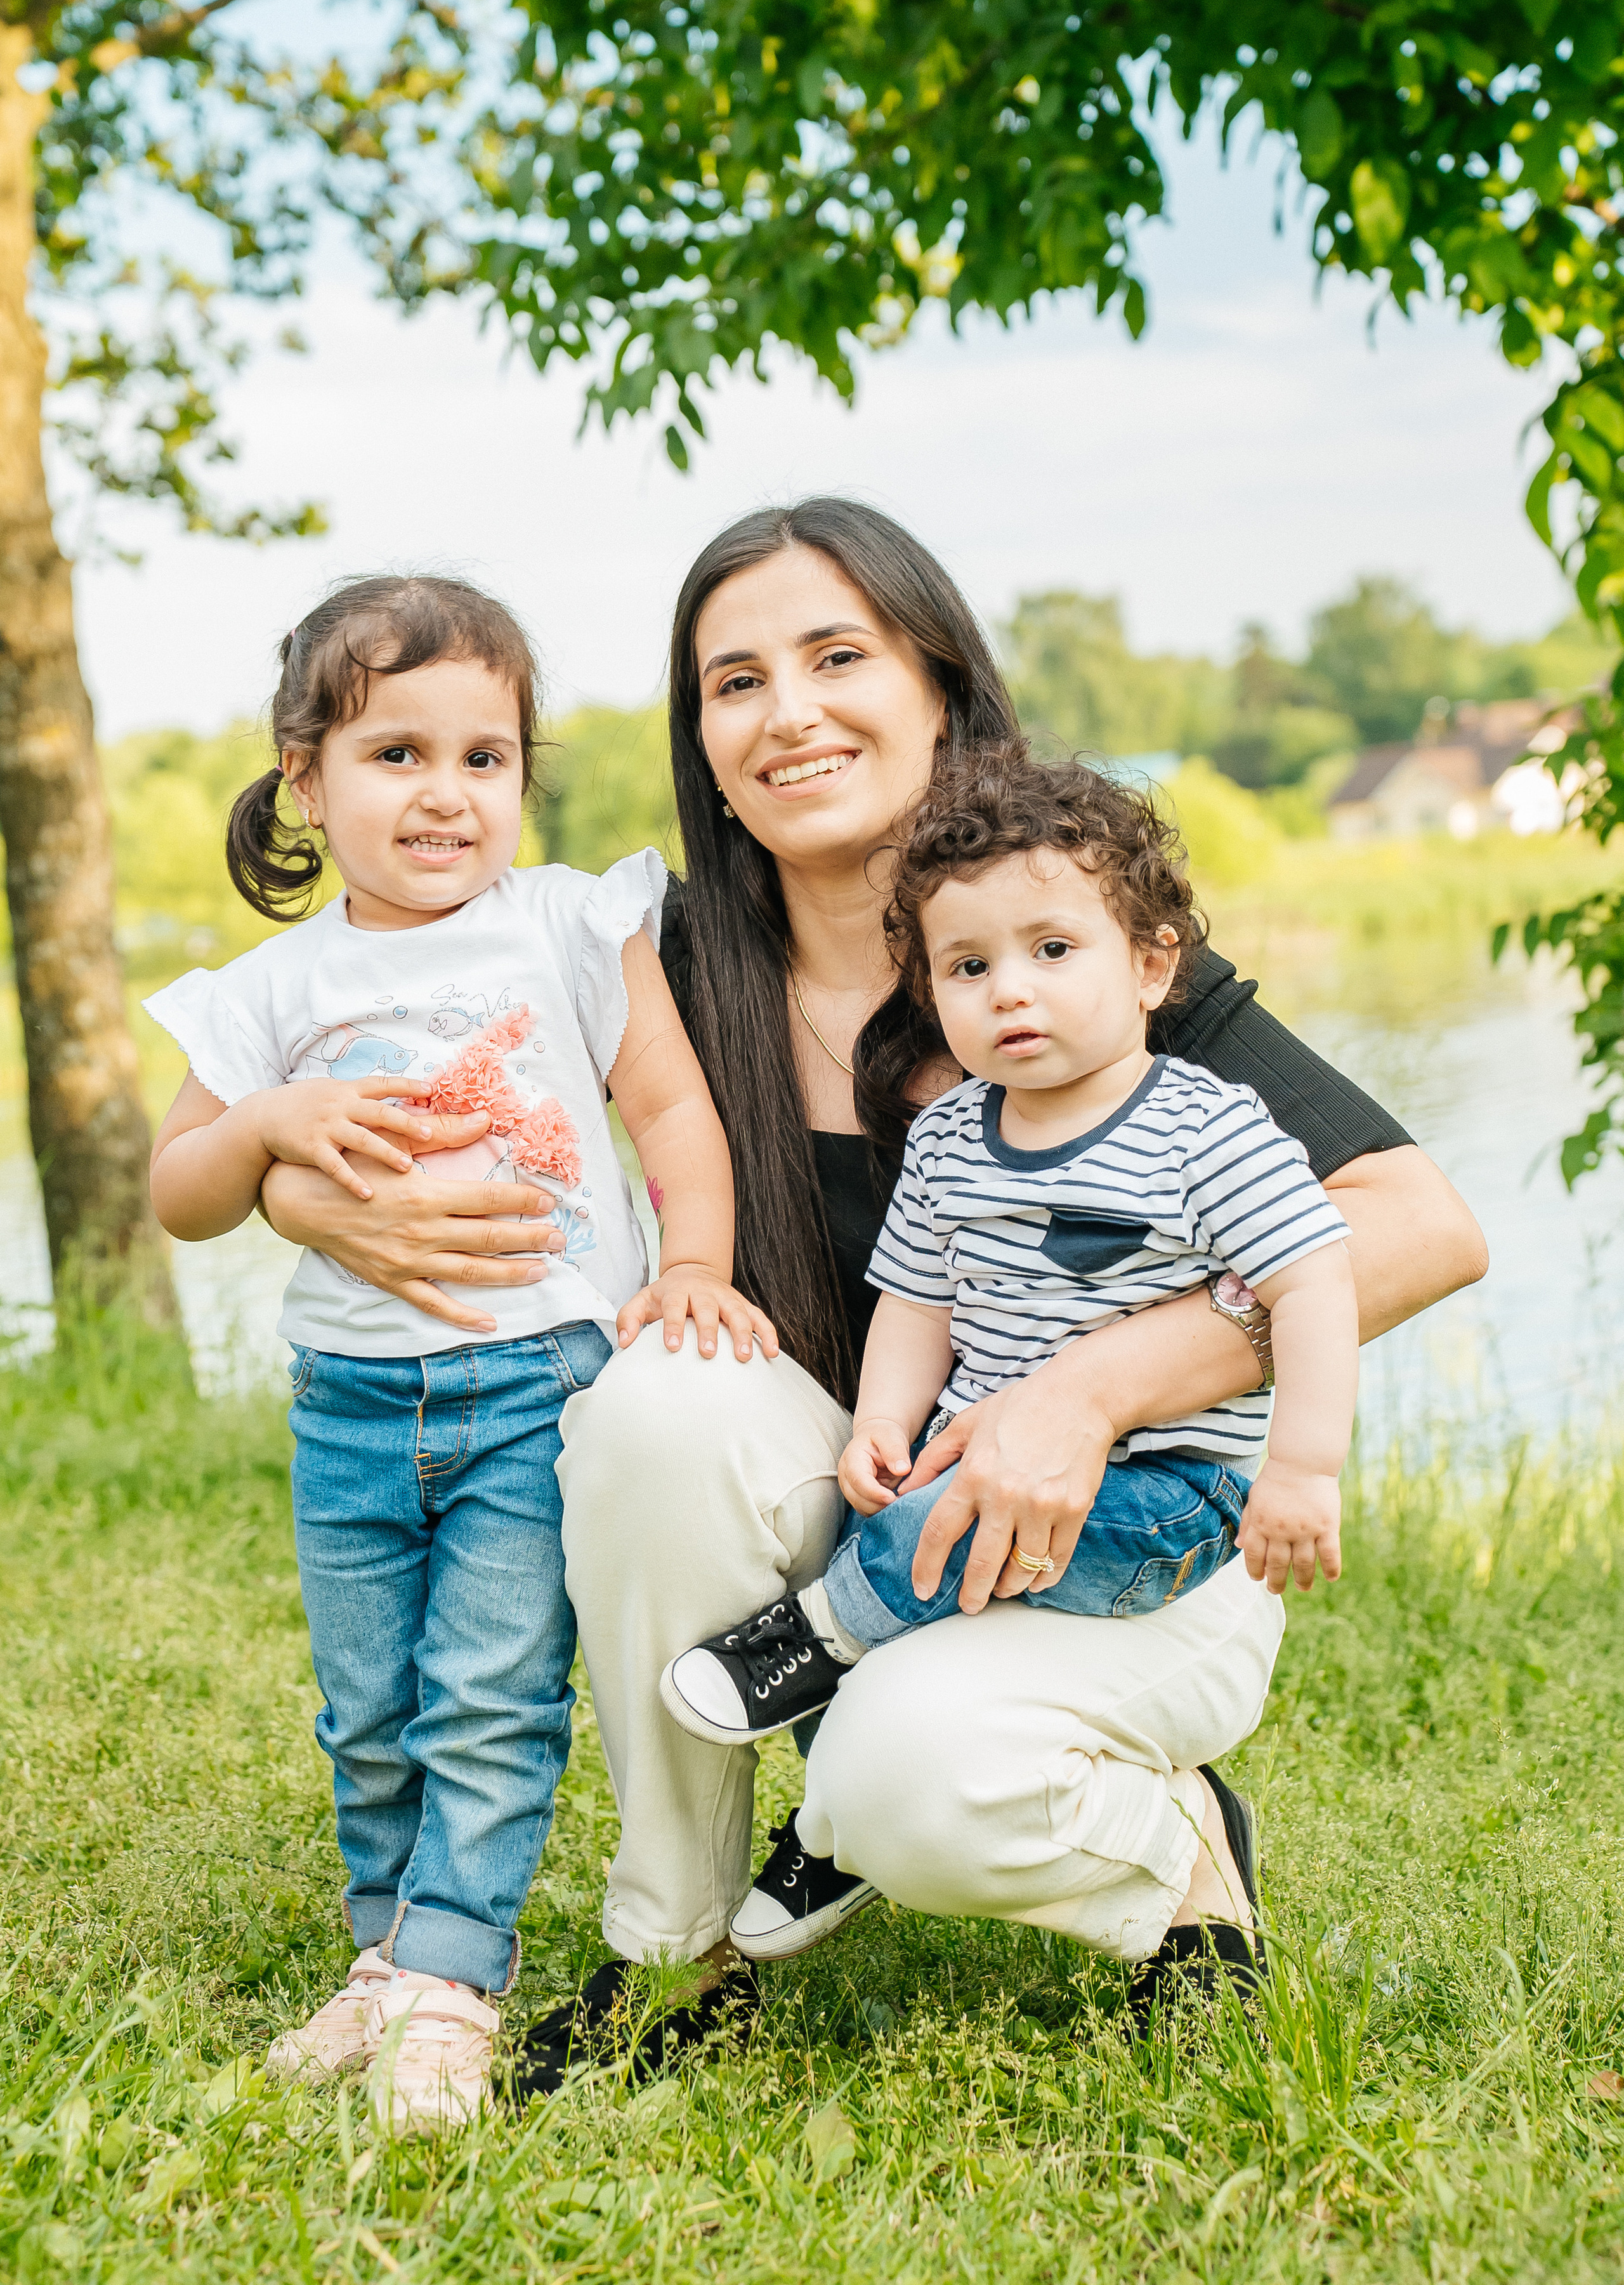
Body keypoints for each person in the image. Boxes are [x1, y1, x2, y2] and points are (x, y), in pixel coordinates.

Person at [252, 503, 1488, 2085]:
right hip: (860, 1500)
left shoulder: (1054, 942)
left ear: (937, 686)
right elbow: (384, 1068)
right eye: (735, 680)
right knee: (653, 1403)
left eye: (838, 657)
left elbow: (1414, 1223)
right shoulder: (658, 958)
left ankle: (1175, 1865)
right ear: (700, 739)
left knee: (908, 1793)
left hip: (1120, 1532)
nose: (789, 714)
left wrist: (1093, 1387)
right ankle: (678, 1957)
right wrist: (297, 1186)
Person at [143, 575, 773, 2135]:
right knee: (367, 1705)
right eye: (396, 755)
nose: (446, 796)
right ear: (304, 776)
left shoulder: (568, 921)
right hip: (350, 1406)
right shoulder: (270, 992)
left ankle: (454, 1982)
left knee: (485, 1690)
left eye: (483, 759)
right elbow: (182, 1194)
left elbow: (673, 1114)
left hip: (535, 1386)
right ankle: (387, 1961)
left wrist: (689, 1262)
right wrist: (274, 1125)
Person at [658, 741, 1358, 1757]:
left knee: (927, 1536)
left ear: (1153, 967)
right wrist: (885, 1425)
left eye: (1054, 951)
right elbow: (916, 1303)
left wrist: (1303, 1469)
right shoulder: (948, 1137)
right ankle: (837, 1820)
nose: (1010, 991)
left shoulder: (1207, 1128)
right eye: (970, 966)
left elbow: (1317, 1286)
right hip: (973, 1458)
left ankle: (815, 1639)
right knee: (897, 1506)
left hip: (1169, 1498)